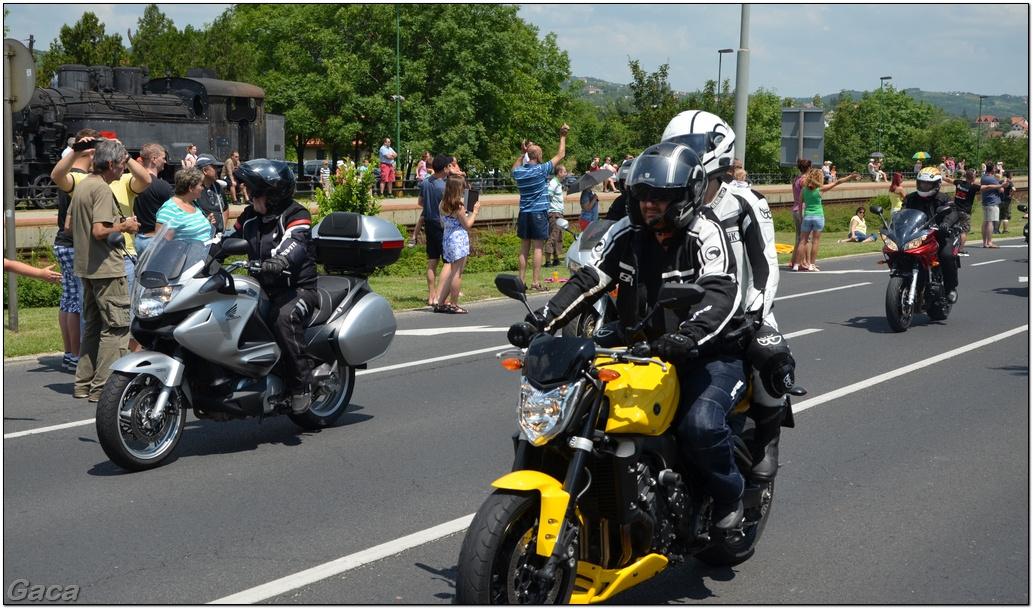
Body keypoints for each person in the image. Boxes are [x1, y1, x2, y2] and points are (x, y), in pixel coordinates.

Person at [529, 142, 748, 530]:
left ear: (686, 195)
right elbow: (590, 277)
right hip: (640, 352)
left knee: (699, 425)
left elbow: (721, 293)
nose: (649, 204)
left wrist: (688, 336)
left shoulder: (706, 232)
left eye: (661, 196)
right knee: (577, 412)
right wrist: (542, 320)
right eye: (643, 194)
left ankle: (730, 495)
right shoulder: (628, 232)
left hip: (707, 355)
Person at [661, 109, 796, 482]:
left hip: (743, 310)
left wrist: (754, 315)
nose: (683, 153)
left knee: (772, 356)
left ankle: (768, 438)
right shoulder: (671, 202)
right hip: (685, 312)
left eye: (690, 146)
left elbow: (766, 264)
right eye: (676, 147)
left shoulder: (744, 201)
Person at [229, 159, 318, 415]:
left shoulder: (296, 214)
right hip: (259, 288)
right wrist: (203, 256)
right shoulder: (249, 217)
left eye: (257, 192)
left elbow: (296, 243)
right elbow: (226, 240)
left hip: (297, 289)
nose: (251, 196)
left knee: (283, 318)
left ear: (275, 194)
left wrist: (278, 261)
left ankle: (302, 385)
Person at [67, 139, 140, 402]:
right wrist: (125, 226)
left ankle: (83, 384)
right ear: (110, 164)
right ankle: (103, 388)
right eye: (122, 165)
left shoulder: (83, 185)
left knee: (94, 328)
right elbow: (100, 231)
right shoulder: (100, 189)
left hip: (87, 268)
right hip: (106, 269)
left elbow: (69, 227)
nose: (123, 170)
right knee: (117, 328)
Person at [50, 128, 99, 373]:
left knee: (68, 300)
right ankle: (79, 355)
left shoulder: (68, 174)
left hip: (61, 243)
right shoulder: (80, 178)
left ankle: (70, 353)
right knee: (79, 302)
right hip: (73, 244)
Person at [512, 124, 569, 292]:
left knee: (524, 247)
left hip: (524, 212)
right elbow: (561, 154)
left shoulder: (520, 172)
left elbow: (514, 168)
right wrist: (562, 136)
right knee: (538, 246)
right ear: (537, 156)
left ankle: (521, 281)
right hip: (538, 213)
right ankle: (535, 282)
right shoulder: (541, 170)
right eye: (541, 153)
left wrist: (522, 154)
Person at [902, 167, 960, 303]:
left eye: (928, 184)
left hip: (938, 235)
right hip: (916, 236)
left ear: (937, 184)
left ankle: (950, 288)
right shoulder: (911, 198)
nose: (924, 186)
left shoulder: (943, 199)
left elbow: (953, 212)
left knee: (947, 255)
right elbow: (902, 213)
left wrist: (946, 224)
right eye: (922, 183)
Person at [797, 167, 860, 271]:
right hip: (818, 216)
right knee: (815, 242)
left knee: (802, 241)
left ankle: (797, 264)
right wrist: (850, 176)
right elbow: (837, 182)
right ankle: (812, 265)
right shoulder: (820, 189)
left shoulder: (804, 189)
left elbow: (800, 204)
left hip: (807, 216)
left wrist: (800, 217)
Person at [433, 175, 481, 314]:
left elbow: (442, 223)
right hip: (458, 239)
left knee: (452, 272)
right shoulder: (458, 206)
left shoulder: (442, 204)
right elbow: (468, 225)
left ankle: (441, 302)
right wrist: (475, 212)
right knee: (457, 274)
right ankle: (454, 305)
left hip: (447, 238)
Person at [131, 142, 174, 257]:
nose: (165, 161)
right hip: (155, 239)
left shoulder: (131, 182)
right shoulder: (163, 186)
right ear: (154, 159)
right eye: (163, 158)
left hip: (136, 240)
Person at [419, 155, 450, 306]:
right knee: (448, 261)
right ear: (444, 169)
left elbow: (420, 202)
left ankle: (431, 295)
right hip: (441, 224)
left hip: (429, 223)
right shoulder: (444, 187)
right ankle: (439, 294)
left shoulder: (425, 183)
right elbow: (449, 207)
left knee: (432, 261)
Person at [154, 168, 216, 242]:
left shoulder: (193, 204)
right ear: (190, 188)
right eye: (200, 185)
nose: (202, 188)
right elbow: (160, 245)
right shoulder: (169, 210)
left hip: (203, 252)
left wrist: (206, 221)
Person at [943, 169, 981, 256]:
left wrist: (941, 177)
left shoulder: (959, 183)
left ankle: (948, 246)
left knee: (951, 228)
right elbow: (987, 187)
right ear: (973, 177)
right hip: (965, 212)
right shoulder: (972, 187)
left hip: (955, 210)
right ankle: (960, 249)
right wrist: (1000, 185)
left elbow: (949, 180)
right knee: (964, 231)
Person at [194, 154, 229, 234]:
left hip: (219, 236)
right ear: (204, 171)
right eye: (215, 167)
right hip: (202, 237)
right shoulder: (194, 190)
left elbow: (225, 208)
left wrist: (224, 227)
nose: (218, 170)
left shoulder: (218, 187)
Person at [790, 158, 812, 271]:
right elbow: (807, 197)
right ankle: (803, 262)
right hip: (803, 209)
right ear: (809, 168)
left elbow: (795, 197)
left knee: (799, 237)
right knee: (806, 238)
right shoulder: (805, 181)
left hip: (795, 209)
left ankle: (795, 261)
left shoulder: (796, 180)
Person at [545, 165, 568, 268]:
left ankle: (556, 259)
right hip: (554, 213)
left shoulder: (558, 183)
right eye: (565, 172)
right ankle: (547, 261)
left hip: (559, 213)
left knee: (558, 236)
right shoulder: (553, 183)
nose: (566, 173)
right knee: (553, 236)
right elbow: (548, 197)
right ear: (559, 172)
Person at [979, 160, 1004, 248]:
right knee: (991, 222)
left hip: (985, 201)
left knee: (985, 221)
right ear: (992, 169)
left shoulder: (983, 178)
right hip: (992, 202)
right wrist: (1001, 183)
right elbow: (1001, 190)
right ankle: (989, 242)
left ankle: (984, 242)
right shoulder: (992, 179)